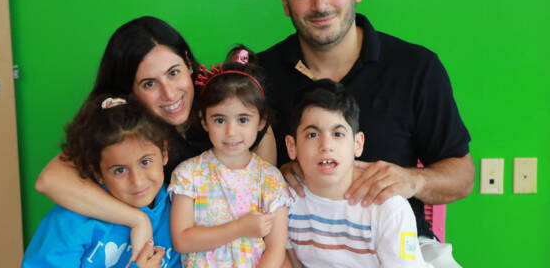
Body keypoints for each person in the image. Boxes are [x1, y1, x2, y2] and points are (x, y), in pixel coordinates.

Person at [34, 16, 277, 261]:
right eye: (149, 83)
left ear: (188, 63)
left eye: (173, 73)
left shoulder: (224, 105)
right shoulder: (123, 129)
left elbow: (264, 191)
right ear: (128, 91)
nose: (169, 93)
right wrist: (137, 219)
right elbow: (49, 180)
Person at [258, 0, 474, 266]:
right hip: (300, 248)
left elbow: (463, 177)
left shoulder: (416, 67)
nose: (319, 4)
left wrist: (413, 181)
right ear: (285, 1)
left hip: (405, 245)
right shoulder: (257, 77)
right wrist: (274, 175)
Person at [283, 79, 432, 267]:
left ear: (358, 144)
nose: (326, 146)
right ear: (292, 146)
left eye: (338, 134)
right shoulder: (283, 199)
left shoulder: (388, 207)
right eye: (313, 135)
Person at [168, 47, 292, 267]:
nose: (231, 132)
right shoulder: (188, 175)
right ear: (204, 121)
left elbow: (275, 248)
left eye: (243, 120)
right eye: (219, 120)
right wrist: (240, 228)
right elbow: (182, 240)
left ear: (261, 121)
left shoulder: (270, 179)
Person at [23, 96, 180, 268]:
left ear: (164, 154)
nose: (137, 181)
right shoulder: (71, 221)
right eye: (120, 170)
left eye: (145, 162)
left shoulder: (180, 208)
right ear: (97, 173)